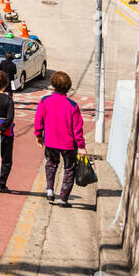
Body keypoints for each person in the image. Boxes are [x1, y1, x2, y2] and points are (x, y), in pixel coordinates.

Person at [34, 71, 86, 206]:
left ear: (52, 85)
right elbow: (77, 128)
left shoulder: (45, 101)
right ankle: (63, 198)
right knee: (69, 169)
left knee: (51, 164)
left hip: (50, 141)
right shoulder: (73, 105)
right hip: (69, 144)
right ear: (68, 87)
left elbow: (38, 120)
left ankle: (50, 190)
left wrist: (38, 135)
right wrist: (81, 146)